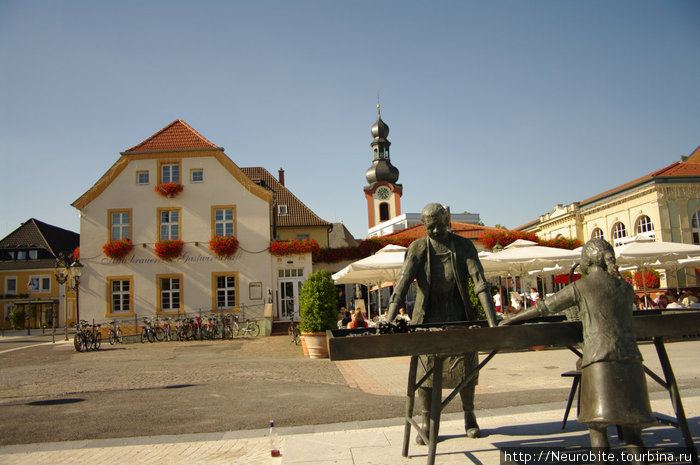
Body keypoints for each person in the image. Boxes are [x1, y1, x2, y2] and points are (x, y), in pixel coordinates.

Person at [501, 239, 654, 463]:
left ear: (587, 260)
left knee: (598, 429)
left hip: (599, 360)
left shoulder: (581, 286)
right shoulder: (625, 287)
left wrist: (511, 319)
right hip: (631, 360)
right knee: (633, 435)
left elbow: (544, 308)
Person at [385, 203, 498, 442]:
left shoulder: (465, 246)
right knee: (425, 373)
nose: (436, 231)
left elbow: (480, 283)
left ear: (448, 221)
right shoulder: (417, 248)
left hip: (458, 316)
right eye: (430, 227)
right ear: (424, 227)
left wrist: (492, 322)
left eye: (440, 225)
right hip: (426, 320)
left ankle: (469, 415)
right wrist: (388, 320)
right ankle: (427, 420)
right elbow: (401, 285)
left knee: (467, 369)